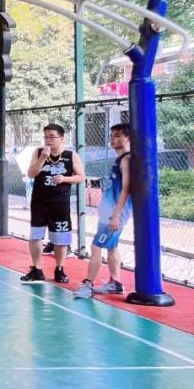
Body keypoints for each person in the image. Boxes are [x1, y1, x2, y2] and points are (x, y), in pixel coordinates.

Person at [20, 123, 84, 284]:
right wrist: (42, 158)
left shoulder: (70, 155)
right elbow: (31, 173)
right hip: (39, 201)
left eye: (52, 137)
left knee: (60, 238)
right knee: (35, 236)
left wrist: (65, 179)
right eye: (46, 137)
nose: (48, 140)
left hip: (60, 203)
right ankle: (37, 269)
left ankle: (60, 269)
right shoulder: (39, 152)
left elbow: (81, 176)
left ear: (61, 138)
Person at [75, 123, 132, 298]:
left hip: (115, 214)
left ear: (128, 138)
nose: (112, 139)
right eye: (111, 135)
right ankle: (116, 283)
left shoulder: (127, 160)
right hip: (110, 213)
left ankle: (88, 285)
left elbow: (127, 189)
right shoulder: (120, 159)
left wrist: (116, 216)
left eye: (117, 135)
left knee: (96, 246)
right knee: (112, 247)